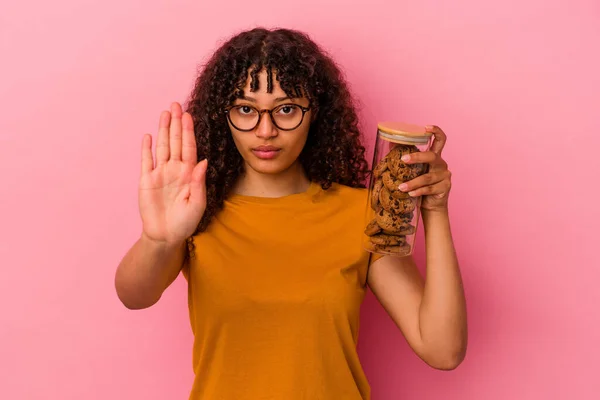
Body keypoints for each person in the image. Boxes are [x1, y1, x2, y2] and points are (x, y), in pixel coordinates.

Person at [114, 27, 467, 400]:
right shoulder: (195, 211)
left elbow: (442, 349)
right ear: (224, 115)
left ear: (315, 112)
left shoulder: (361, 213)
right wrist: (159, 238)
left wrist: (435, 211)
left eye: (286, 109)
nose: (266, 131)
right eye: (246, 109)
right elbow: (134, 296)